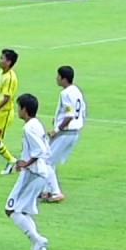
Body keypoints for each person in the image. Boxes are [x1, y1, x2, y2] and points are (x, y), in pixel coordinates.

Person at [7, 93, 51, 250]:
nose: (18, 110)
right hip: (40, 172)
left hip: (33, 173)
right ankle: (36, 244)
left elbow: (39, 151)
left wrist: (25, 164)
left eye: (19, 107)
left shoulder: (28, 128)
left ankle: (37, 239)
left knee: (11, 209)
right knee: (23, 210)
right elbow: (46, 148)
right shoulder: (37, 123)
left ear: (24, 110)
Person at [41, 65, 86, 203]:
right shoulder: (76, 90)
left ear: (63, 78)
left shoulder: (65, 93)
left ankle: (56, 192)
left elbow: (69, 115)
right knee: (50, 159)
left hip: (66, 132)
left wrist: (57, 129)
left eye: (58, 76)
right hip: (75, 131)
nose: (56, 78)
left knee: (46, 161)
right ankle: (46, 191)